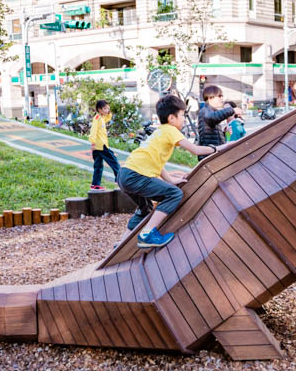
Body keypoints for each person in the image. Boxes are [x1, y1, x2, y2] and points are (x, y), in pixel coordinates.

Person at [118, 94, 216, 248]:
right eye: (182, 115)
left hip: (125, 174)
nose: (184, 119)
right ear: (172, 118)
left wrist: (169, 180)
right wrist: (217, 148)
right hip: (136, 176)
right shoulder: (171, 131)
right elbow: (196, 150)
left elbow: (157, 161)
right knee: (174, 194)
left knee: (145, 210)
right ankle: (147, 233)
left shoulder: (159, 131)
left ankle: (122, 245)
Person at [197, 85, 242, 159]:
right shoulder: (205, 111)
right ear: (210, 98)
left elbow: (213, 136)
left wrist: (223, 133)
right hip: (209, 155)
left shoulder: (211, 111)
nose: (222, 98)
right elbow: (212, 118)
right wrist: (232, 110)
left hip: (213, 154)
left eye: (222, 96)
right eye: (219, 96)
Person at [89, 99, 120, 190]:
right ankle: (119, 179)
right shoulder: (97, 119)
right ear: (99, 109)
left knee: (98, 165)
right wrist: (93, 142)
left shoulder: (101, 118)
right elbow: (93, 131)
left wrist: (109, 112)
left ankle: (95, 184)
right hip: (101, 146)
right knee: (114, 161)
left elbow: (108, 118)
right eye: (105, 109)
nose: (107, 110)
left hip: (98, 147)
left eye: (108, 109)